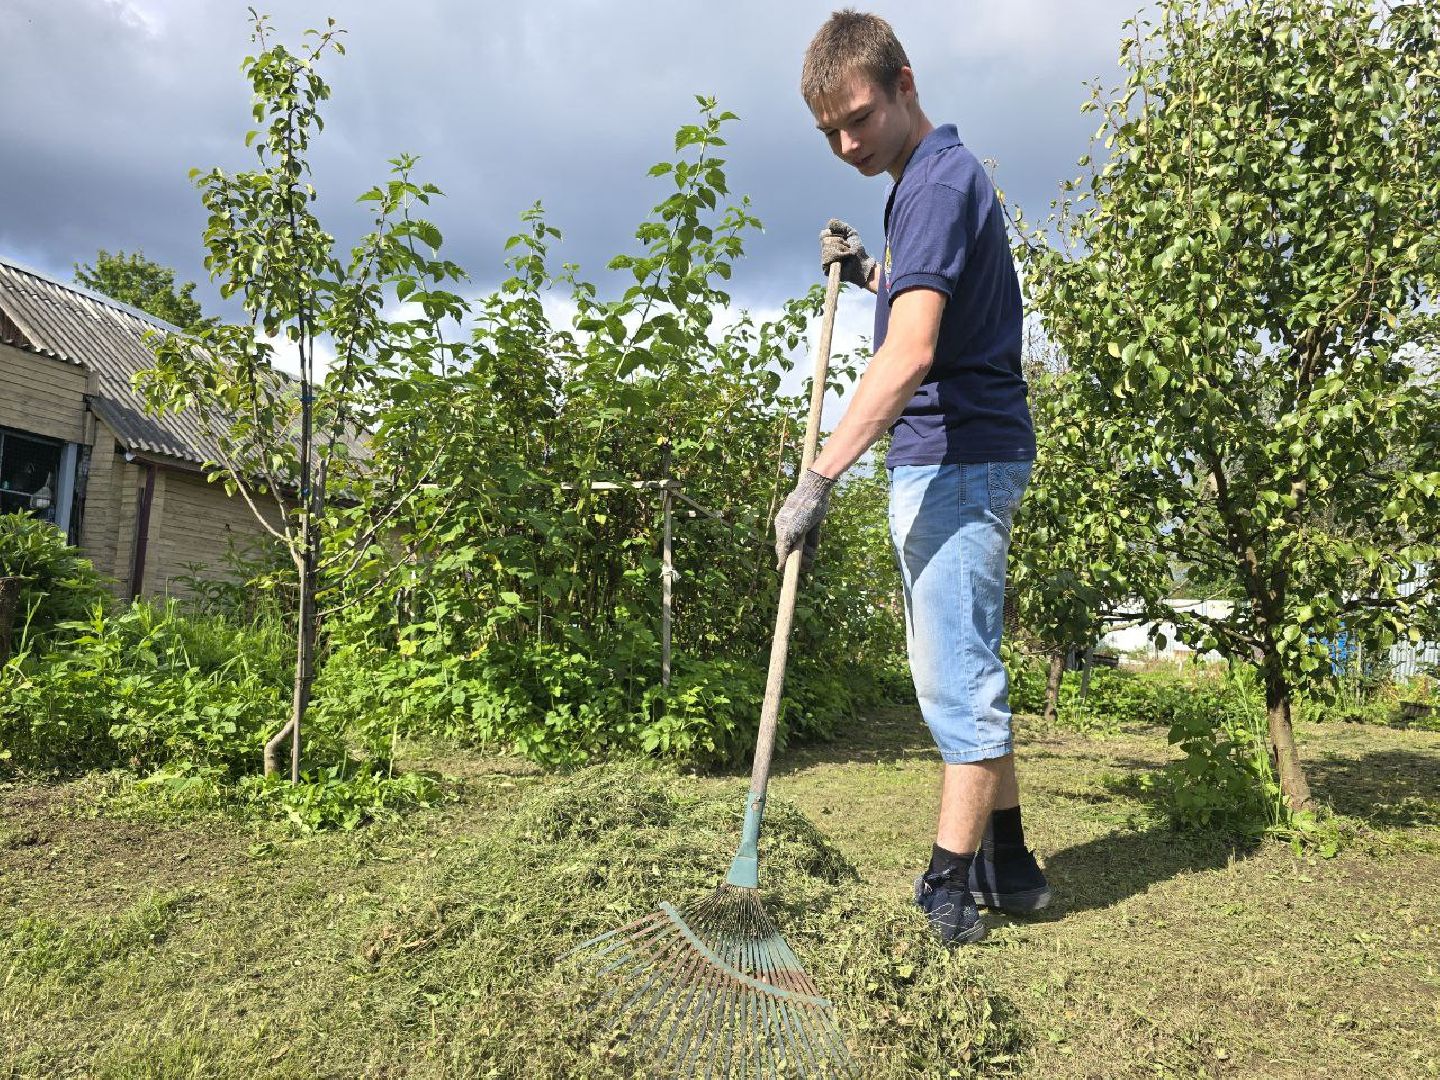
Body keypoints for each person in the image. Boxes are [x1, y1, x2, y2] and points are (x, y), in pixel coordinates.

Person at [774, 9, 1047, 945]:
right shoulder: (929, 182)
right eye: (829, 133)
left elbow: (911, 352)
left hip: (959, 457)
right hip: (969, 452)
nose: (847, 144)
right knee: (969, 661)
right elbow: (929, 293)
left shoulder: (933, 184)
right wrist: (868, 277)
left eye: (858, 118)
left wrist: (818, 477)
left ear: (904, 82)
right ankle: (1009, 865)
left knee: (953, 678)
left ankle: (948, 888)